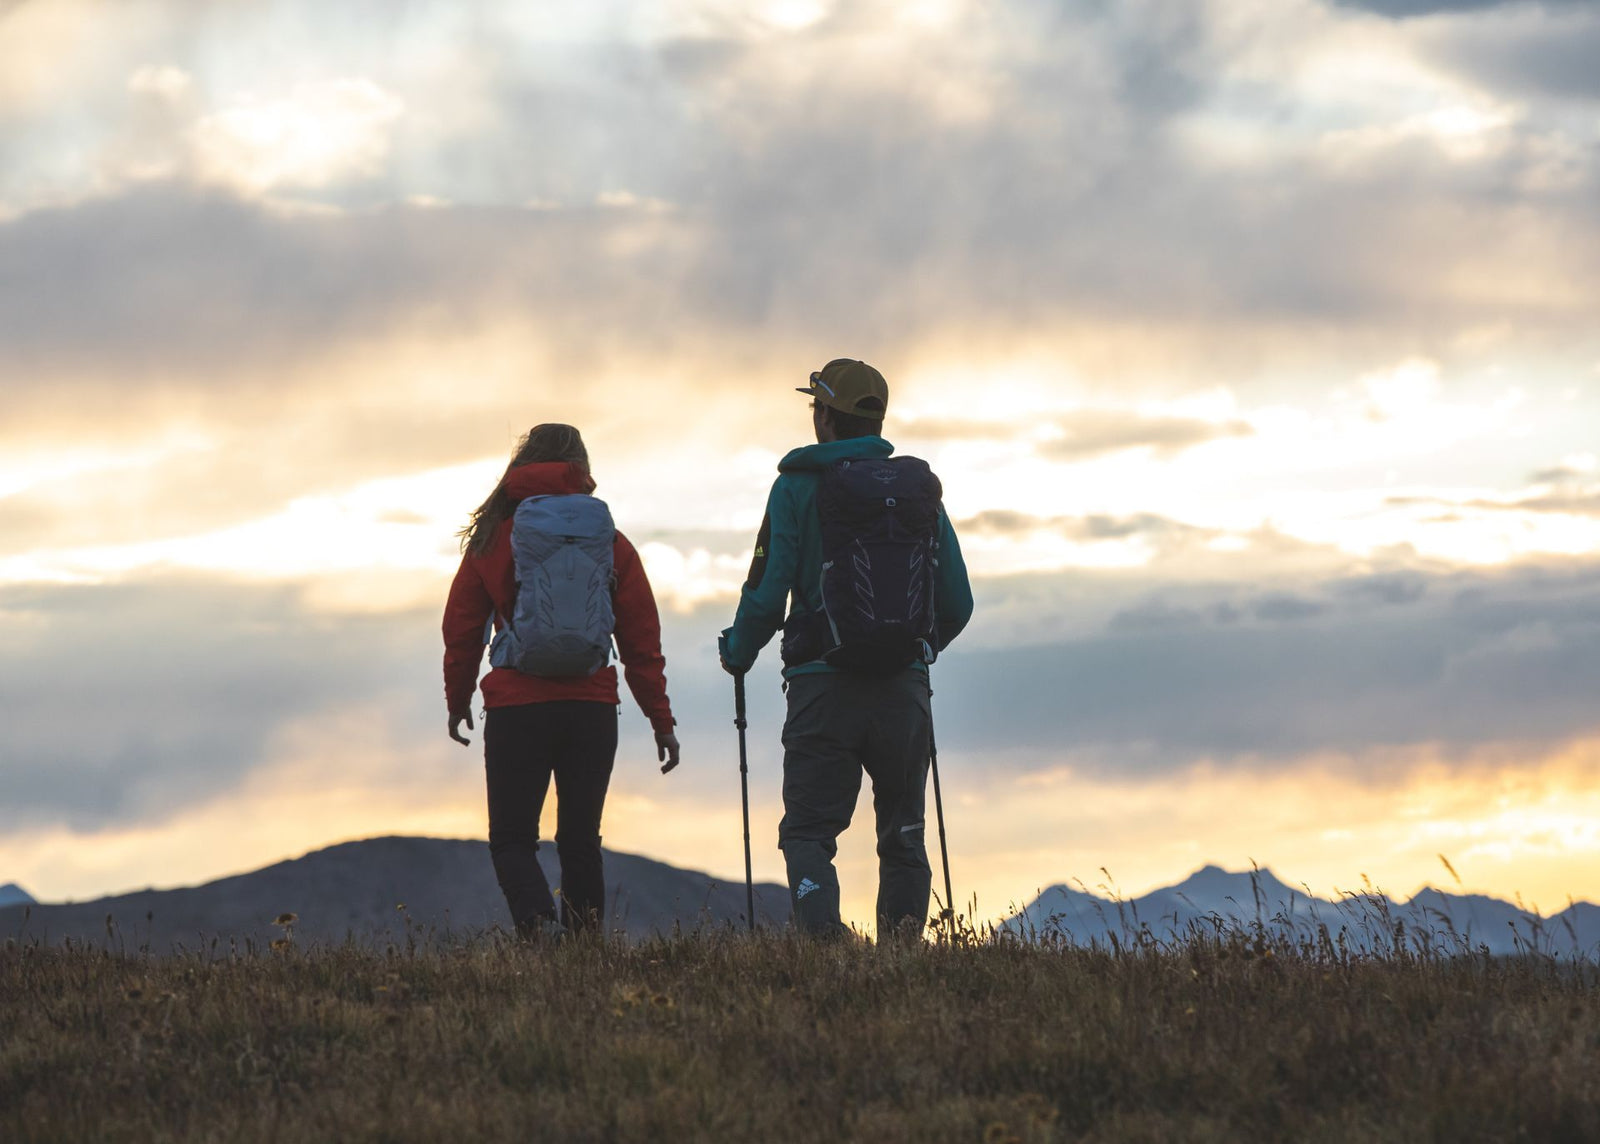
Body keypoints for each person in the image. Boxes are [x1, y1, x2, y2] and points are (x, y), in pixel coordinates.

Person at [719, 359, 973, 939]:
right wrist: (912, 649)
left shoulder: (794, 488)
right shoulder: (915, 494)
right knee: (904, 831)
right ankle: (902, 955)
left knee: (809, 832)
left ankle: (825, 951)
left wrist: (738, 651)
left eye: (816, 406)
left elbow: (766, 591)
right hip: (903, 689)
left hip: (820, 686)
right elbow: (957, 603)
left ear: (826, 416)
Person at [443, 424, 680, 936]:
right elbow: (642, 641)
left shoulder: (493, 537)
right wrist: (661, 721)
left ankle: (538, 930)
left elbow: (461, 631)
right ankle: (583, 953)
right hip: (591, 707)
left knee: (512, 839)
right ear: (581, 467)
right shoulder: (608, 540)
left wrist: (457, 700)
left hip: (515, 707)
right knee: (580, 841)